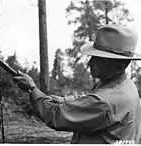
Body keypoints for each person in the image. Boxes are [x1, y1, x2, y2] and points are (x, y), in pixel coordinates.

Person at [13, 24, 141, 144]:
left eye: (98, 58)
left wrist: (32, 88)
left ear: (119, 66)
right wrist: (67, 100)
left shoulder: (104, 102)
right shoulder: (127, 87)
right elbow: (95, 101)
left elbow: (55, 115)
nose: (89, 63)